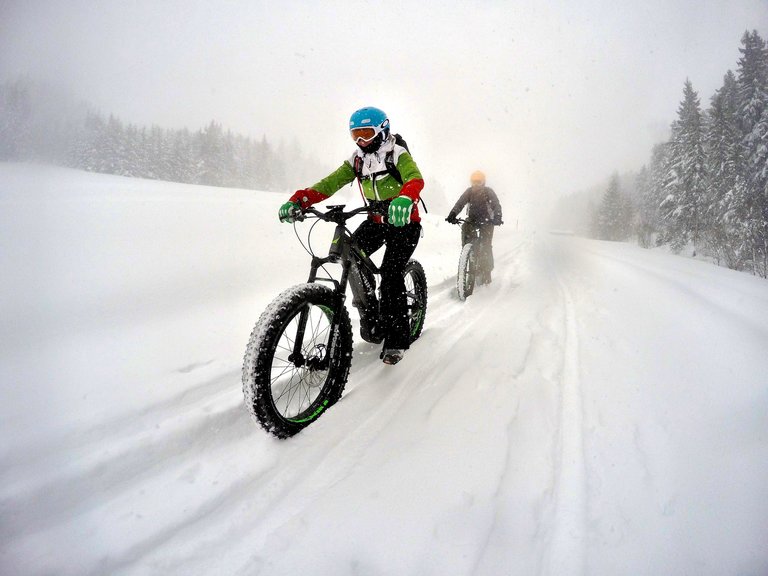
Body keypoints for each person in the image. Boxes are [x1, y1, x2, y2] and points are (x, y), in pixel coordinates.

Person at [278, 106, 424, 365]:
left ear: (382, 129)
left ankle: (397, 339)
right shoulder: (357, 159)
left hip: (404, 223)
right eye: (355, 134)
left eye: (366, 133)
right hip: (377, 221)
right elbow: (330, 183)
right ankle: (374, 314)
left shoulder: (396, 153)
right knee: (352, 252)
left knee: (390, 275)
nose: (360, 140)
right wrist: (301, 200)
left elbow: (415, 178)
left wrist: (404, 198)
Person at [445, 171, 503, 284]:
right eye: (474, 182)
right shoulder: (469, 191)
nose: (476, 184)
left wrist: (498, 216)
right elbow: (460, 203)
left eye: (478, 181)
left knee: (486, 246)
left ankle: (486, 272)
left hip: (488, 221)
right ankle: (467, 252)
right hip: (472, 220)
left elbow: (496, 205)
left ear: (483, 182)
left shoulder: (488, 191)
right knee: (465, 227)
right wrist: (452, 214)